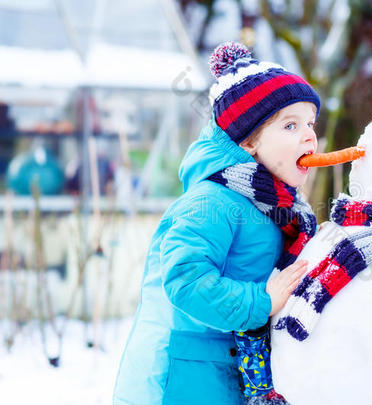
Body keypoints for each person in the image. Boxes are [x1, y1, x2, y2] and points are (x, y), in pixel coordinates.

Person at [113, 41, 320, 405]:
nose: (309, 136)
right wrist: (262, 301)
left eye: (310, 124)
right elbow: (185, 279)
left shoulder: (276, 207)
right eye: (290, 125)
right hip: (182, 373)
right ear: (250, 141)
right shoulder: (211, 202)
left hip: (226, 365)